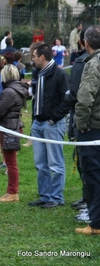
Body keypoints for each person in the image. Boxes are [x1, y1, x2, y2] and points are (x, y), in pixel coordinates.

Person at [28, 44, 70, 209]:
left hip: (52, 124)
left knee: (55, 163)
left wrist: (53, 119)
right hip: (38, 124)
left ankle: (56, 197)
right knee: (40, 163)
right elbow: (37, 100)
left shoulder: (60, 75)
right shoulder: (39, 74)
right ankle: (45, 196)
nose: (32, 59)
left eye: (34, 56)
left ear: (42, 57)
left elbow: (66, 101)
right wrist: (35, 121)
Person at [75, 25, 100, 235]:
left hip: (94, 129)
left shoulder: (93, 64)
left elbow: (85, 99)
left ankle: (96, 224)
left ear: (86, 43)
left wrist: (80, 125)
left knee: (93, 177)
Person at [0, 64, 29, 202]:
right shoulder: (18, 89)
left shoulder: (9, 92)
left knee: (10, 162)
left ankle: (13, 192)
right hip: (13, 126)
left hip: (9, 128)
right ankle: (10, 191)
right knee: (10, 161)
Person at [65, 28, 89, 222]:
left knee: (86, 164)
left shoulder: (82, 62)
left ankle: (90, 206)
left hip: (87, 123)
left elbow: (75, 94)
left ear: (83, 43)